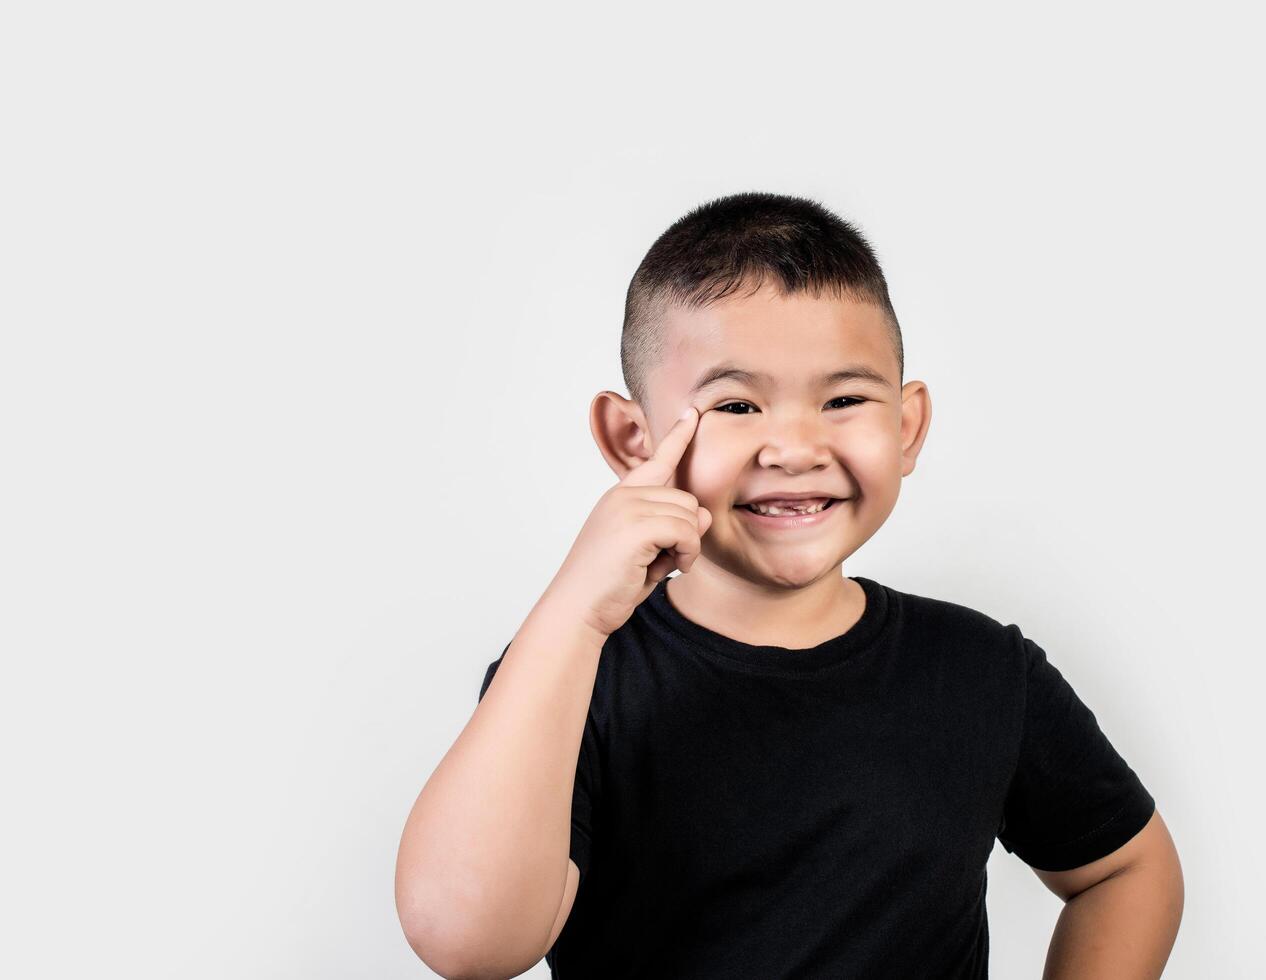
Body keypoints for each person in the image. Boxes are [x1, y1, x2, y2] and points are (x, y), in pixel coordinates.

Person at [395, 191, 1185, 979]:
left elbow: (1126, 870)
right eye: (737, 404)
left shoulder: (981, 669)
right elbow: (468, 944)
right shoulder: (569, 674)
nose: (796, 447)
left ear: (905, 428)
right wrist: (571, 613)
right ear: (632, 438)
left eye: (843, 400)